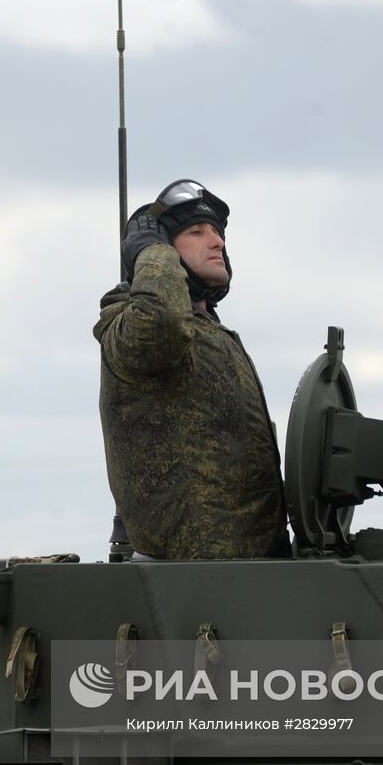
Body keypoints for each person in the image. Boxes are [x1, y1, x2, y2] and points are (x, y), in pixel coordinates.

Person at [93, 178, 290, 560]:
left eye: (217, 232)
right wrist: (150, 249)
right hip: (191, 579)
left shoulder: (213, 335)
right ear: (164, 254)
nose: (217, 242)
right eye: (197, 232)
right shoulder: (131, 324)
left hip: (249, 569)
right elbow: (162, 320)